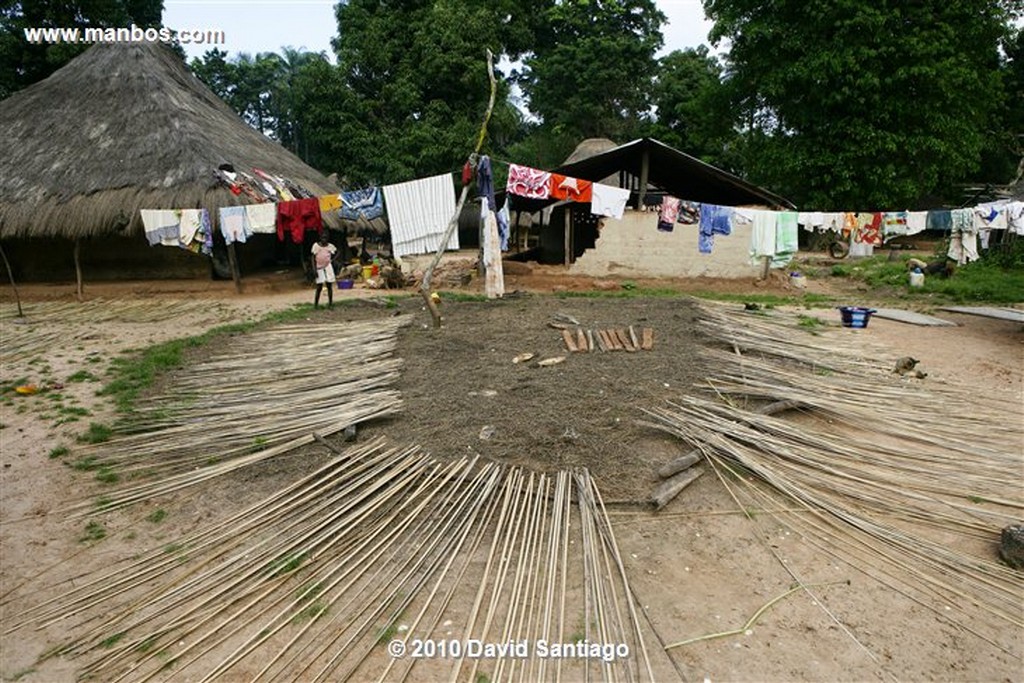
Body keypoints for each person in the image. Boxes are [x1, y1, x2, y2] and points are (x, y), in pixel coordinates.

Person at [311, 232, 338, 308]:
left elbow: (337, 252)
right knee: (319, 286)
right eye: (323, 238)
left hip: (328, 266)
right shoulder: (316, 246)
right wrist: (314, 269)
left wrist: (333, 260)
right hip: (319, 267)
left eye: (325, 238)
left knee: (329, 285)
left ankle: (330, 303)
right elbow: (313, 258)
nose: (324, 240)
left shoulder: (330, 246)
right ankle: (316, 304)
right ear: (320, 238)